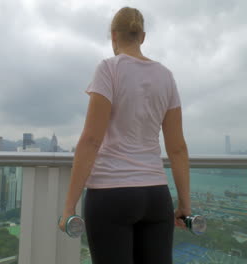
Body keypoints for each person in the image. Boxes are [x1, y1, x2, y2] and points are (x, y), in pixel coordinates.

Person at [59, 6, 191, 264]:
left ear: (113, 36)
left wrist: (68, 208)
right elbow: (177, 148)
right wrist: (185, 205)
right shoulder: (166, 76)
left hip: (111, 194)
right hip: (156, 196)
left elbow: (91, 140)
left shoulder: (109, 69)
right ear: (142, 37)